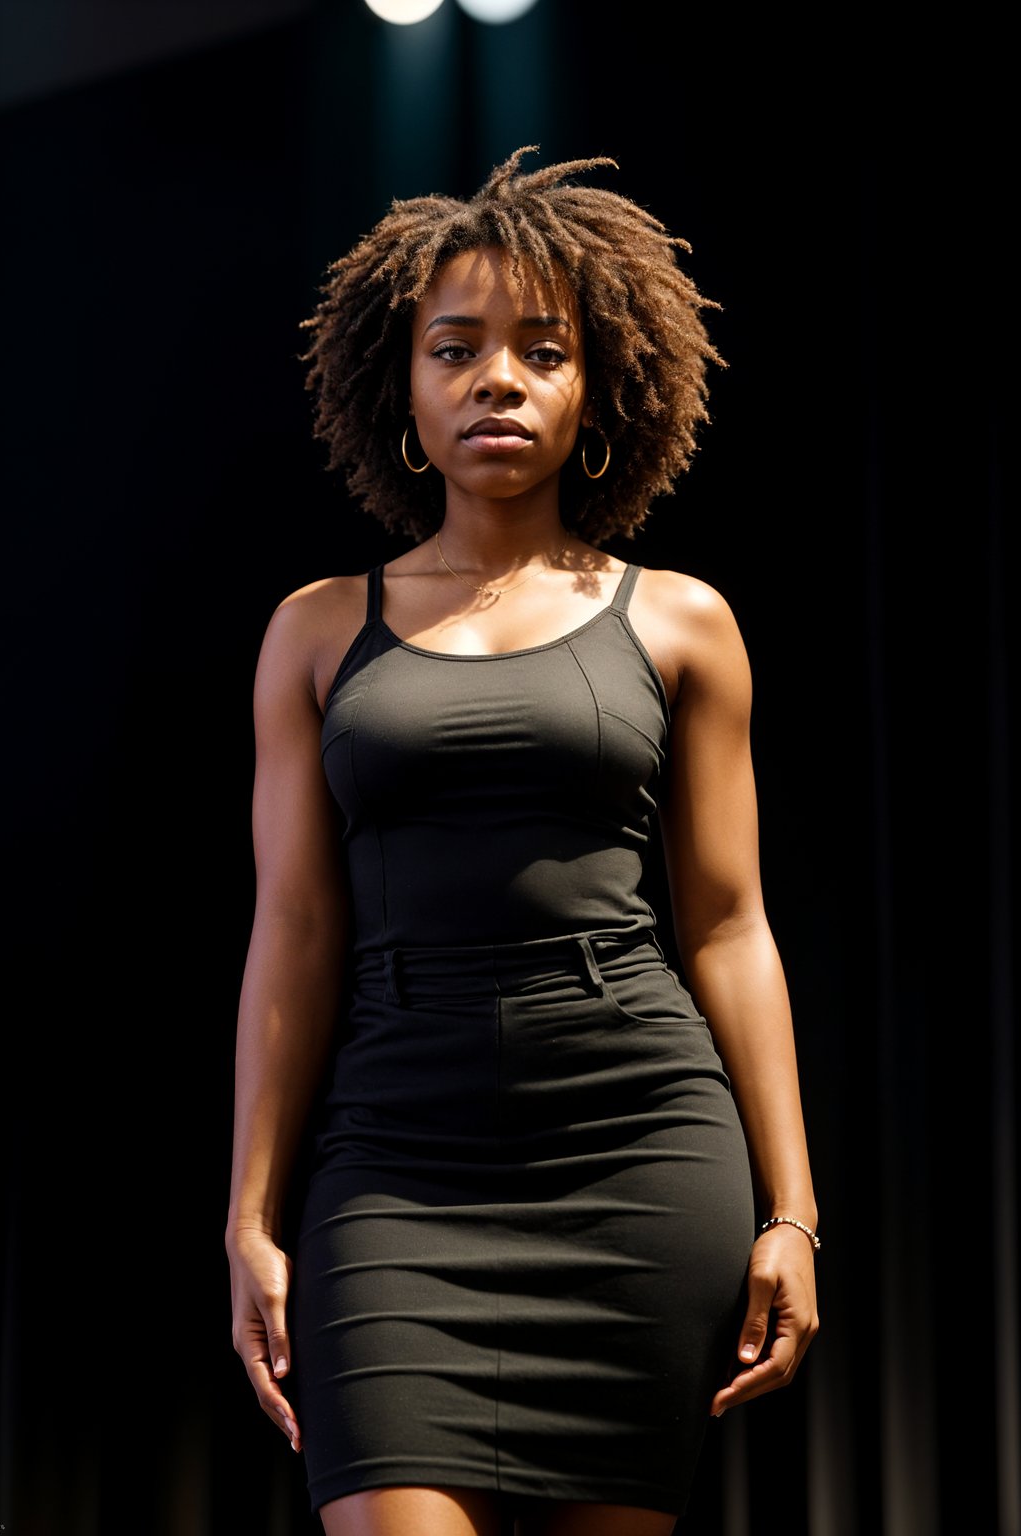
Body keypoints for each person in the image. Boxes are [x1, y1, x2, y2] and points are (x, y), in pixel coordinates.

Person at [225, 145, 819, 1536]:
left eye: (540, 351)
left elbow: (729, 927)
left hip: (634, 1144)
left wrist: (792, 1212)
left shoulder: (680, 622)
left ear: (594, 387)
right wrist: (250, 1214)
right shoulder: (316, 630)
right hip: (394, 1162)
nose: (498, 378)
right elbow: (296, 932)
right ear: (404, 388)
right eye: (457, 349)